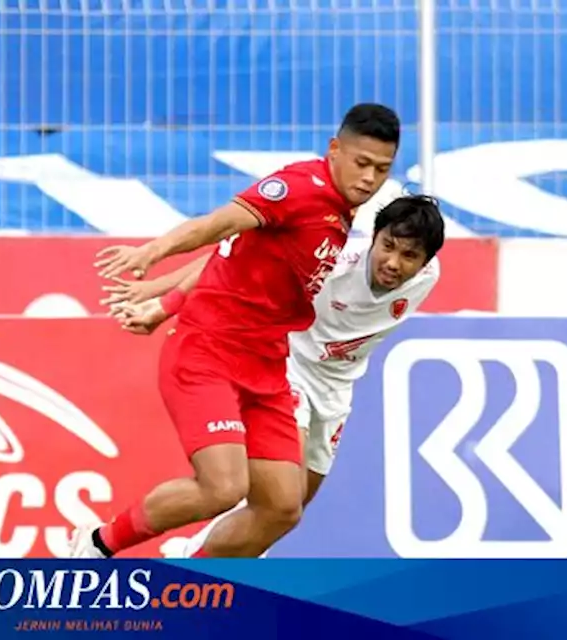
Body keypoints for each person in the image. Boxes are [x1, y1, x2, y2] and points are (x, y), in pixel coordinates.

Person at [68, 103, 402, 559]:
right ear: (334, 150)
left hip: (266, 366)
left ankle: (190, 582)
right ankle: (97, 544)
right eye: (362, 163)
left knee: (283, 507)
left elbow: (229, 251)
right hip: (208, 352)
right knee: (222, 487)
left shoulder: (346, 216)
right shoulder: (298, 189)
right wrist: (155, 251)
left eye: (381, 169)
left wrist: (163, 299)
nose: (369, 178)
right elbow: (218, 225)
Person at [105, 195, 445, 557]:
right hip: (289, 363)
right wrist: (162, 298)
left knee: (289, 509)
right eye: (387, 247)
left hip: (336, 387)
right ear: (374, 237)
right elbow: (230, 258)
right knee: (281, 496)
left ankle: (199, 561)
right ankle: (189, 560)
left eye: (408, 257)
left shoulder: (429, 276)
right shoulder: (334, 259)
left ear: (425, 262)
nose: (392, 263)